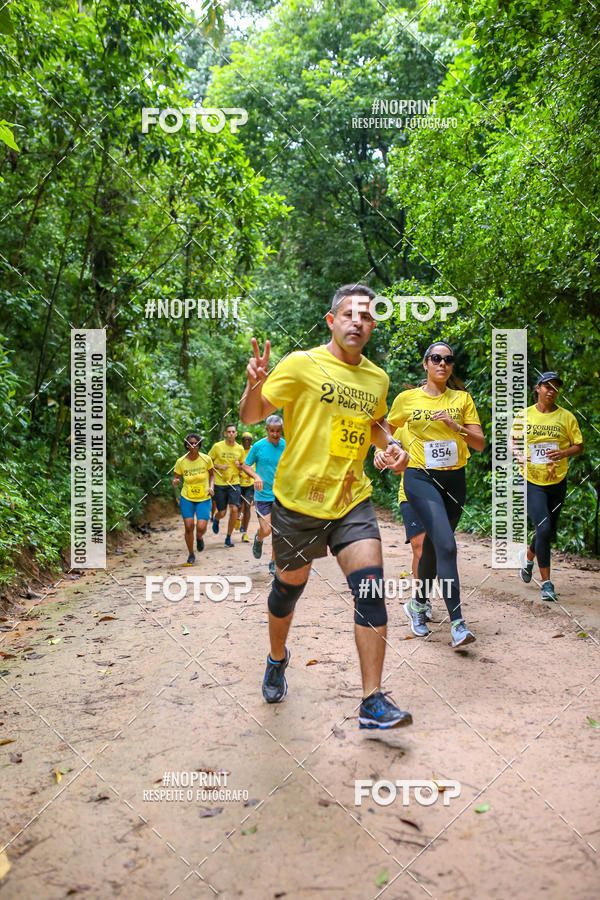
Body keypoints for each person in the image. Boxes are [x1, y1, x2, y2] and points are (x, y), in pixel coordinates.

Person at [239, 283, 413, 730]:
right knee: (287, 590)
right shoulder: (301, 365)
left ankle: (372, 701)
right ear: (332, 321)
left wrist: (393, 445)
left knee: (371, 589)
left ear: (373, 325)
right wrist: (253, 385)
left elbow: (375, 425)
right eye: (350, 314)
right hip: (297, 504)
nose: (358, 321)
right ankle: (277, 658)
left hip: (351, 500)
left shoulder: (377, 378)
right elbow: (251, 415)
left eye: (367, 316)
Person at [379, 341, 484, 648]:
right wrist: (389, 447)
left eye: (448, 360)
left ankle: (417, 603)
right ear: (425, 364)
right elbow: (386, 427)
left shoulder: (462, 399)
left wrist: (457, 427)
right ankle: (458, 624)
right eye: (436, 358)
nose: (443, 363)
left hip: (454, 480)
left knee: (434, 551)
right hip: (419, 477)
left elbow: (479, 443)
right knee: (446, 545)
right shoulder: (407, 398)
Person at [510, 371, 583, 601]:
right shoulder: (525, 415)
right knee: (543, 528)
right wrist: (518, 454)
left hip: (557, 480)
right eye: (547, 386)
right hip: (532, 480)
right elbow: (512, 440)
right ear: (538, 388)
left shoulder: (566, 417)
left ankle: (528, 558)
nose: (551, 391)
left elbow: (578, 445)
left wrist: (563, 452)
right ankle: (547, 583)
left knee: (548, 530)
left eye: (555, 387)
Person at [240, 415, 286, 577]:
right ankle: (258, 538)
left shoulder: (286, 446)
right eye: (272, 431)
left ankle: (273, 562)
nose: (275, 434)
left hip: (281, 496)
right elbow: (245, 466)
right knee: (266, 530)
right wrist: (256, 476)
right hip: (262, 496)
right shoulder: (258, 446)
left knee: (277, 531)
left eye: (278, 431)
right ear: (267, 430)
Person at [393, 424, 428, 620]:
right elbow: (394, 465)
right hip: (409, 495)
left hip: (439, 496)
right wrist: (388, 458)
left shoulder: (443, 423)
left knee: (437, 550)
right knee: (419, 546)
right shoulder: (402, 429)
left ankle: (422, 598)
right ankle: (420, 601)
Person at [172, 433, 215, 565]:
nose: (193, 445)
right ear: (186, 445)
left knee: (201, 526)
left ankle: (200, 536)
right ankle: (191, 553)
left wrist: (211, 487)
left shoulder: (206, 459)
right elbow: (176, 477)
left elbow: (212, 475)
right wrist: (175, 481)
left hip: (203, 496)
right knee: (189, 526)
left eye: (195, 443)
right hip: (187, 497)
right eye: (190, 443)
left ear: (199, 445)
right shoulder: (181, 461)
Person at [208, 424, 245, 548]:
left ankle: (228, 537)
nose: (230, 434)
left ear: (236, 434)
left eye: (233, 432)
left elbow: (243, 466)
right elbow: (208, 463)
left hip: (234, 483)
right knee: (222, 512)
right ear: (225, 434)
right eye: (228, 432)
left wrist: (239, 466)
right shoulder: (217, 447)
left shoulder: (240, 449)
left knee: (234, 509)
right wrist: (219, 467)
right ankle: (216, 519)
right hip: (219, 483)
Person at [239, 432, 255, 542]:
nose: (247, 442)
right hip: (238, 483)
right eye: (245, 439)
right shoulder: (238, 450)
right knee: (238, 507)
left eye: (249, 440)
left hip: (250, 483)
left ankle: (245, 532)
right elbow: (233, 464)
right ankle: (237, 519)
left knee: (248, 506)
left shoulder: (254, 450)